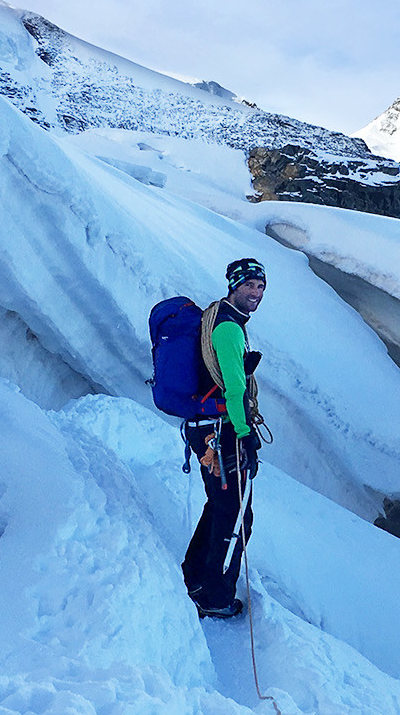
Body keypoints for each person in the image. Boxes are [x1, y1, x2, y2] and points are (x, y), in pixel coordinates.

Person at [181, 257, 268, 618]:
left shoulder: (215, 315)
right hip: (222, 432)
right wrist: (246, 435)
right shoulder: (230, 328)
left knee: (219, 505)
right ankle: (215, 597)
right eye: (249, 285)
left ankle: (195, 576)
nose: (256, 293)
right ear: (234, 285)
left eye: (261, 286)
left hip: (205, 429)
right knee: (236, 515)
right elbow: (234, 390)